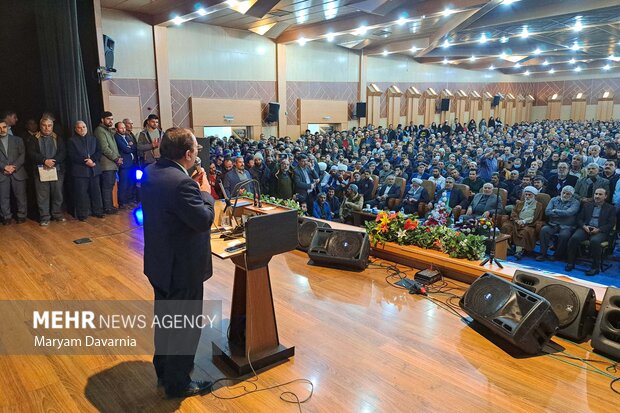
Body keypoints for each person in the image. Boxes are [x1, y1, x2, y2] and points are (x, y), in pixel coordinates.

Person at [141, 127, 215, 398]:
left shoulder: (152, 171)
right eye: (196, 150)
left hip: (160, 262)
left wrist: (192, 188)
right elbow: (203, 220)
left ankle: (164, 369)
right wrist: (204, 192)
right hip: (182, 268)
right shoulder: (183, 184)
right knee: (184, 325)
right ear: (187, 154)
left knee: (166, 320)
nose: (198, 154)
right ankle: (178, 383)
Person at [565, 188, 616, 276]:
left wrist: (599, 229)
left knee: (595, 241)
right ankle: (570, 262)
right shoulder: (587, 205)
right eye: (596, 194)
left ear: (606, 196)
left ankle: (595, 267)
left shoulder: (611, 208)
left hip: (600, 230)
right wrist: (584, 226)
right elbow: (579, 219)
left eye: (600, 194)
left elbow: (611, 224)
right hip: (586, 228)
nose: (597, 196)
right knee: (574, 238)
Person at [27, 117, 66, 226]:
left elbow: (63, 152)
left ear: (52, 126)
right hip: (40, 170)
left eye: (49, 125)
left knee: (57, 194)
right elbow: (31, 153)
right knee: (42, 196)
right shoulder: (34, 138)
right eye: (44, 125)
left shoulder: (58, 138)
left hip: (56, 169)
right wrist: (44, 160)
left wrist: (54, 161)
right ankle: (44, 217)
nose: (47, 128)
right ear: (40, 126)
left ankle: (57, 214)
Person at [68, 121, 104, 221]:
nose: (82, 129)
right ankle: (83, 214)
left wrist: (92, 159)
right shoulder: (72, 141)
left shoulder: (93, 139)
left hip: (94, 170)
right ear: (75, 129)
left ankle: (98, 211)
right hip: (80, 171)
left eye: (84, 127)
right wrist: (86, 162)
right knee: (82, 194)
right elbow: (72, 155)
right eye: (79, 128)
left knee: (96, 192)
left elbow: (99, 151)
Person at [536, 186, 579, 262]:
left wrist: (555, 210)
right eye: (563, 193)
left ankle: (557, 255)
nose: (565, 195)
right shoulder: (554, 199)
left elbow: (570, 212)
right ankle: (542, 254)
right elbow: (547, 212)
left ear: (572, 195)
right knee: (544, 230)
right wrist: (563, 213)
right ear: (561, 192)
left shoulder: (575, 202)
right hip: (553, 224)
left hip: (567, 226)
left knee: (564, 235)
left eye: (568, 194)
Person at [500, 186, 544, 260]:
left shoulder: (539, 205)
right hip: (516, 222)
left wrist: (524, 221)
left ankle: (519, 251)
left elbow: (536, 217)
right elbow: (514, 213)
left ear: (534, 196)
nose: (527, 196)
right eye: (526, 195)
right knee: (506, 226)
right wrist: (517, 220)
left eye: (529, 195)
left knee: (525, 232)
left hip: (529, 224)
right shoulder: (520, 203)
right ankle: (508, 248)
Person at [0, 119, 27, 224]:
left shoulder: (18, 140)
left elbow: (22, 155)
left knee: (21, 196)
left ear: (8, 128)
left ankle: (22, 216)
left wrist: (13, 167)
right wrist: (4, 167)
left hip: (18, 172)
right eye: (0, 128)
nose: (2, 130)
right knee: (3, 197)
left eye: (4, 127)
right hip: (2, 173)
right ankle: (6, 217)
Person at [94, 111, 121, 214]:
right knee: (106, 187)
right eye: (108, 119)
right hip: (106, 164)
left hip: (112, 163)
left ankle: (110, 206)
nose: (111, 121)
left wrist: (118, 158)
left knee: (110, 186)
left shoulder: (108, 131)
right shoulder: (100, 131)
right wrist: (116, 158)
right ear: (102, 119)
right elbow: (104, 148)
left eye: (112, 119)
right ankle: (107, 207)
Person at [114, 122, 137, 208]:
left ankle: (129, 200)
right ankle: (122, 202)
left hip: (131, 163)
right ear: (116, 129)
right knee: (124, 184)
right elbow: (125, 149)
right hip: (124, 164)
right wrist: (129, 146)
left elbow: (135, 147)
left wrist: (130, 146)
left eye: (124, 127)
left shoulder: (127, 136)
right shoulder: (117, 137)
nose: (123, 129)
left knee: (130, 183)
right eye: (121, 128)